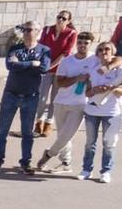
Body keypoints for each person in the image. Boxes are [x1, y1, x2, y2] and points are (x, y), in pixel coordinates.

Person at [0, 22, 49, 175]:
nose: (26, 32)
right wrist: (31, 64)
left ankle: (26, 162)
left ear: (38, 32)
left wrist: (21, 65)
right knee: (2, 130)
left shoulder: (44, 50)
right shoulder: (14, 48)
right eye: (24, 30)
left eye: (29, 30)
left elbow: (43, 68)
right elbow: (10, 66)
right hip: (11, 94)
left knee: (27, 132)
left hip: (30, 97)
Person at [77, 39, 122, 184]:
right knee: (90, 142)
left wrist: (111, 88)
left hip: (111, 112)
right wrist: (94, 90)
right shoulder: (93, 70)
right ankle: (86, 170)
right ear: (97, 54)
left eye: (107, 49)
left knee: (108, 144)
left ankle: (106, 171)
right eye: (101, 50)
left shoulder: (121, 71)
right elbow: (86, 92)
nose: (104, 52)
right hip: (92, 111)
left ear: (112, 53)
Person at [36, 35, 95, 173]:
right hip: (61, 102)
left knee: (67, 135)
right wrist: (77, 79)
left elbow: (115, 60)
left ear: (91, 44)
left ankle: (49, 154)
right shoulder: (68, 61)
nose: (82, 45)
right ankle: (66, 162)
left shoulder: (95, 60)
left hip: (79, 104)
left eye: (86, 43)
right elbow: (60, 82)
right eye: (80, 42)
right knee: (62, 135)